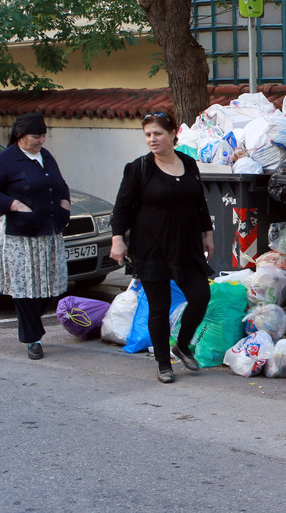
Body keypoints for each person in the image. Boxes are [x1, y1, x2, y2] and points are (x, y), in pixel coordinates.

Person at [110, 111, 214, 383]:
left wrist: (208, 233)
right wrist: (117, 238)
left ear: (172, 135)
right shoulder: (139, 168)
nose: (152, 139)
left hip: (187, 246)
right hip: (152, 247)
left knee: (201, 295)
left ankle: (181, 344)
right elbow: (121, 207)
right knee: (160, 307)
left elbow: (199, 202)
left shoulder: (189, 164)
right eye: (147, 135)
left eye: (157, 133)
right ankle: (163, 363)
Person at [0, 113, 71, 359]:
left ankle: (32, 327)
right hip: (18, 233)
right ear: (20, 136)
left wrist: (65, 203)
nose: (41, 140)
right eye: (36, 136)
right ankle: (32, 338)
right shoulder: (7, 159)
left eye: (43, 135)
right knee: (25, 287)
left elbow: (60, 184)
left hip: (47, 228)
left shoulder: (46, 155)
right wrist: (15, 205)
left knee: (52, 285)